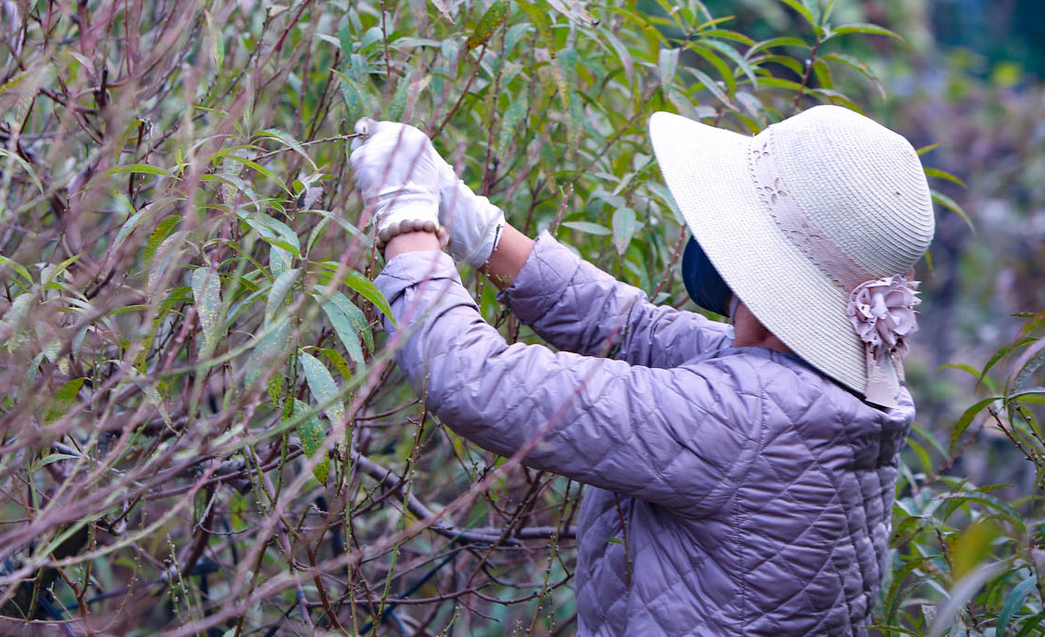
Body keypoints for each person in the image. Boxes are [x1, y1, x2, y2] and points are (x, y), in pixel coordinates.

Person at [348, 106, 935, 636]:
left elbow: (473, 379)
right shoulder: (817, 387)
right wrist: (475, 225)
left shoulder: (745, 416)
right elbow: (632, 329)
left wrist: (406, 221)